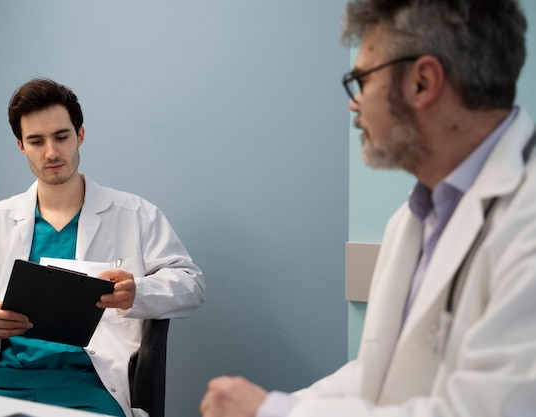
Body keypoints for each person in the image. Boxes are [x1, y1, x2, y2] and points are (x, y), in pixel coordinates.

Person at [200, 0, 536, 416]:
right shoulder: (417, 216)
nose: (353, 104)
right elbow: (375, 376)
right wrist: (274, 406)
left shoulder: (525, 221)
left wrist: (274, 412)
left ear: (422, 82)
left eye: (361, 80)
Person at [0, 78, 205, 417]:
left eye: (61, 137)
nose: (51, 152)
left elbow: (191, 284)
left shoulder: (137, 216)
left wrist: (137, 292)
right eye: (36, 141)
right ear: (21, 146)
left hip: (90, 385)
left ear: (80, 135)